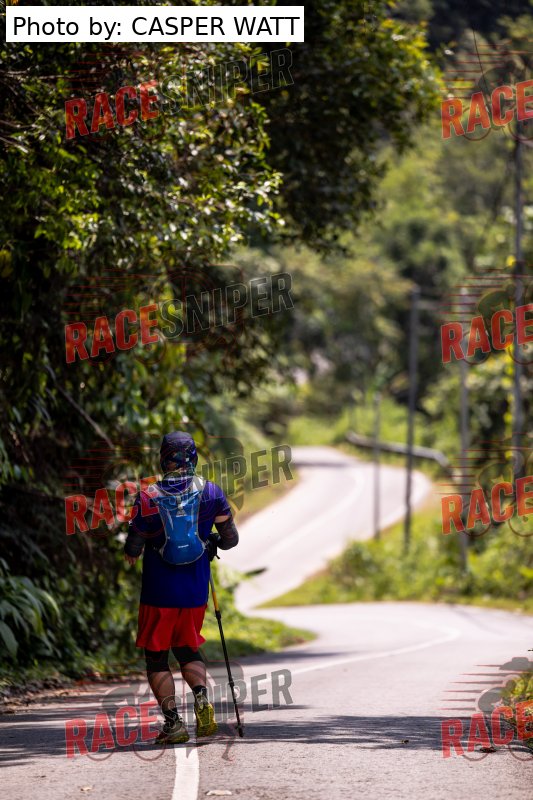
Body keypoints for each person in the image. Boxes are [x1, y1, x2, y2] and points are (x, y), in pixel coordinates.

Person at [124, 431, 239, 744]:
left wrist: (133, 551)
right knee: (188, 649)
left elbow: (134, 545)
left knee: (157, 658)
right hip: (194, 590)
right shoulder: (211, 492)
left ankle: (173, 724)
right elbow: (230, 539)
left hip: (158, 591)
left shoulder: (148, 496)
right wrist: (211, 541)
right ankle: (201, 699)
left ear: (163, 458)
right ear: (194, 457)